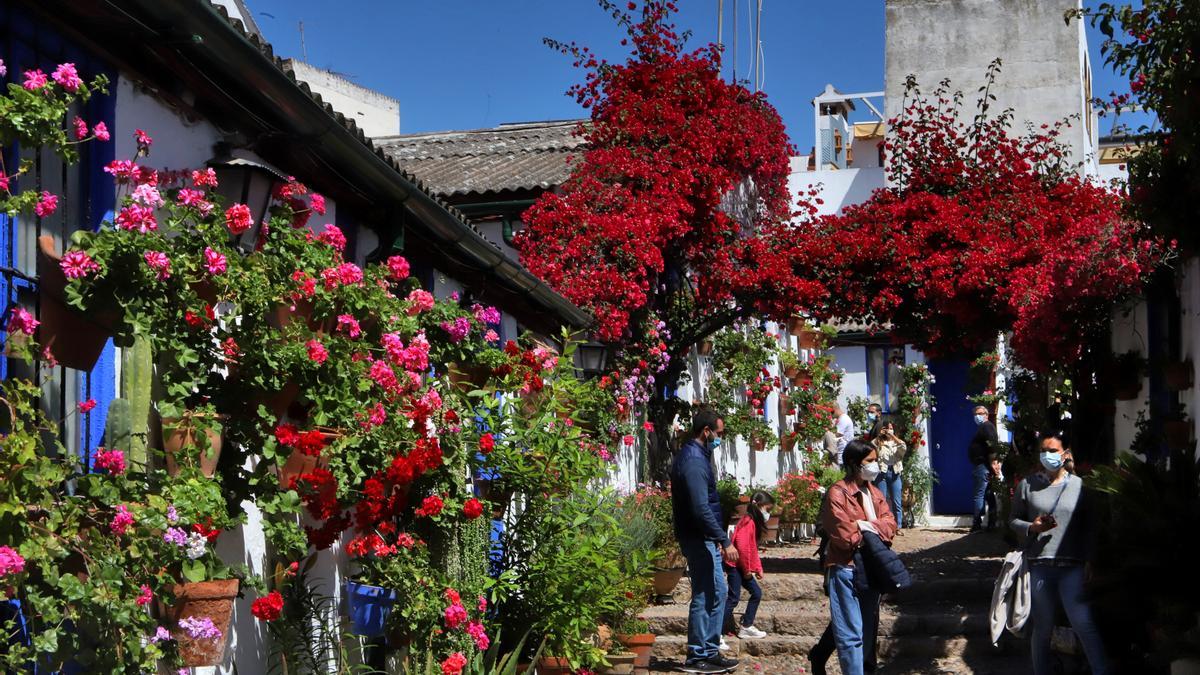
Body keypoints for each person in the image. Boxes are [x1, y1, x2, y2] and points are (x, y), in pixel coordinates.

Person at [1009, 430, 1108, 675]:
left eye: (1052, 450)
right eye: (1043, 450)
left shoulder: (1079, 486)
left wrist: (1089, 559)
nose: (1047, 455)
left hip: (1071, 567)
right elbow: (1013, 520)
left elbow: (1090, 525)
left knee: (1083, 622)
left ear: (1064, 454)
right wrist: (1032, 527)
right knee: (1042, 627)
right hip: (1040, 565)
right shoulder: (1027, 485)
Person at [670, 408, 740, 674]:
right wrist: (724, 540)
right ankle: (698, 655)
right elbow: (700, 507)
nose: (720, 439)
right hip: (698, 536)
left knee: (718, 592)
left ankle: (709, 650)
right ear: (706, 431)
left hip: (702, 536)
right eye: (718, 433)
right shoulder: (694, 461)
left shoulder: (699, 455)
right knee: (706, 593)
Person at [818, 440, 897, 675]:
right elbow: (845, 535)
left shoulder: (875, 492)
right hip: (846, 566)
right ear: (854, 463)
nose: (874, 465)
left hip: (871, 566)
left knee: (867, 630)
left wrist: (864, 525)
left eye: (875, 460)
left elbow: (890, 525)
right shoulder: (837, 492)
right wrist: (872, 528)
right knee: (849, 633)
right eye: (869, 461)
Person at [723, 491, 771, 640]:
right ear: (759, 506)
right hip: (736, 566)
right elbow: (743, 548)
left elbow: (752, 549)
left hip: (741, 566)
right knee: (733, 599)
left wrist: (758, 568)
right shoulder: (748, 522)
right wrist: (747, 570)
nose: (768, 513)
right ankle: (716, 632)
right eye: (767, 509)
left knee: (756, 593)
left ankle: (746, 626)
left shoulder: (751, 522)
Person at [871, 420, 907, 530]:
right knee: (882, 500)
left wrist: (893, 436)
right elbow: (871, 446)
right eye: (887, 428)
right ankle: (884, 526)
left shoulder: (897, 442)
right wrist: (879, 435)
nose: (889, 430)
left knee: (896, 501)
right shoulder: (878, 442)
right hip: (882, 473)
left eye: (891, 428)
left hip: (895, 473)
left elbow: (903, 448)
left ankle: (898, 526)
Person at [968, 405, 999, 531]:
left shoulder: (987, 426)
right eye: (975, 414)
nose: (977, 416)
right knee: (988, 493)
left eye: (980, 413)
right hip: (984, 465)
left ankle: (977, 523)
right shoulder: (984, 427)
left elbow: (992, 446)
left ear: (986, 414)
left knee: (979, 494)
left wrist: (993, 463)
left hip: (983, 466)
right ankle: (991, 522)